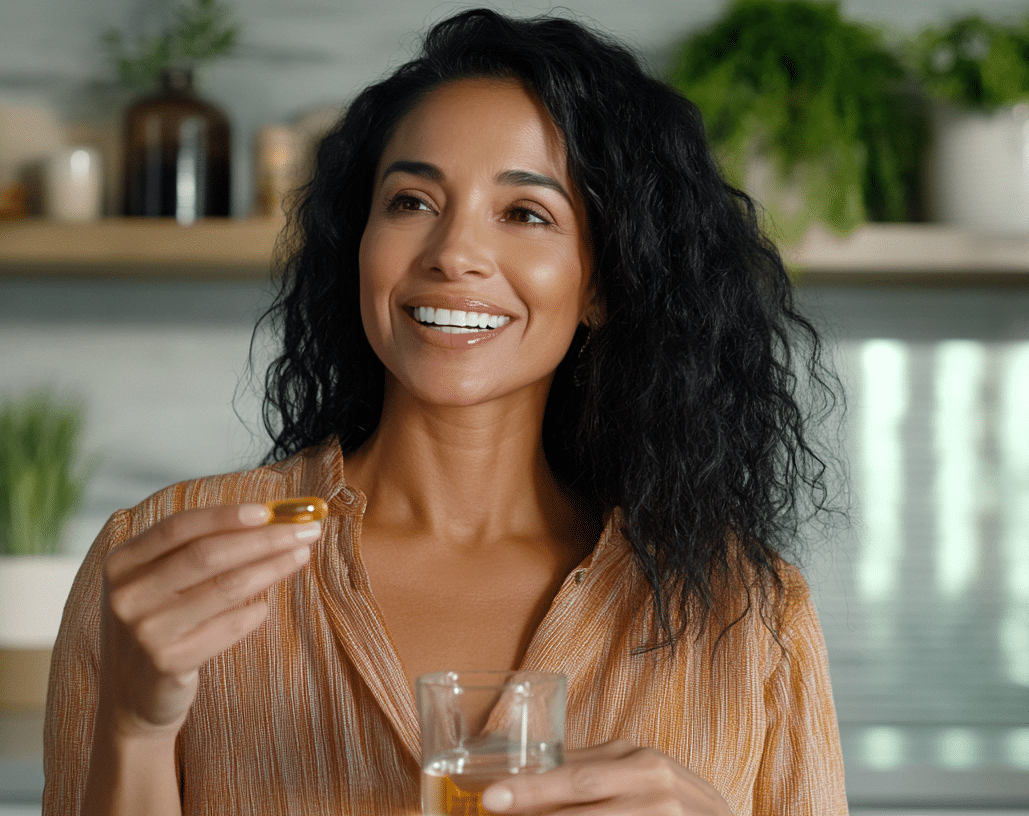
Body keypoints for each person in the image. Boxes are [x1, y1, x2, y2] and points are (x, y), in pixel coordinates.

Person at [44, 8, 846, 815]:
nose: (453, 252)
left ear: (602, 283)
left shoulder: (752, 615)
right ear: (358, 245)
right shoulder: (165, 565)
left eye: (526, 214)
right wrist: (135, 728)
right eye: (411, 202)